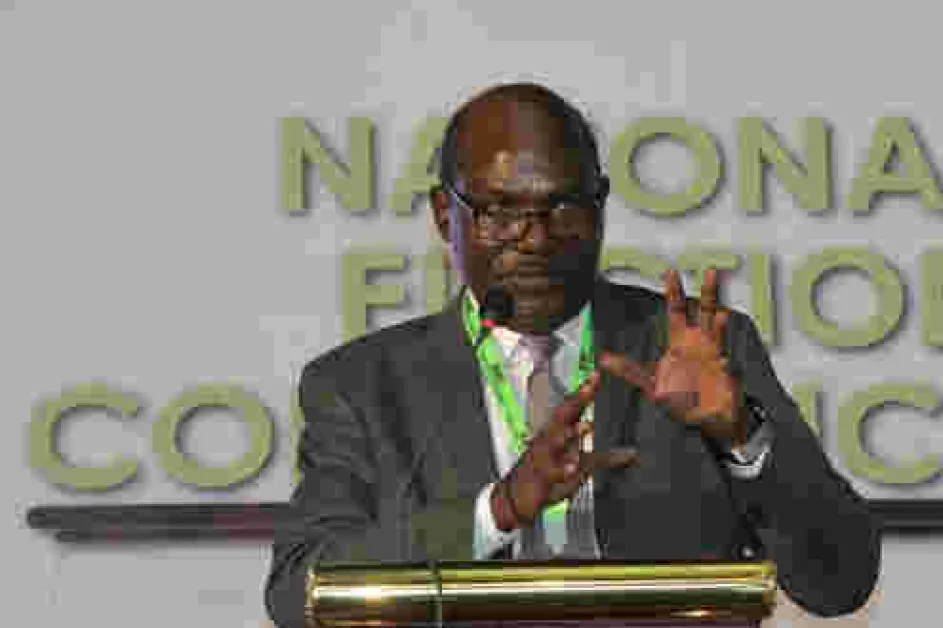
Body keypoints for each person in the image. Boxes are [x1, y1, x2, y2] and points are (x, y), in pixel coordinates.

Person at [264, 83, 880, 628]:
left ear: (600, 205)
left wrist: (741, 435)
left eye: (563, 207)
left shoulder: (698, 345)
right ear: (445, 214)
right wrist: (496, 511)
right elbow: (300, 591)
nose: (535, 239)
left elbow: (841, 582)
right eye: (500, 212)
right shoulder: (362, 386)